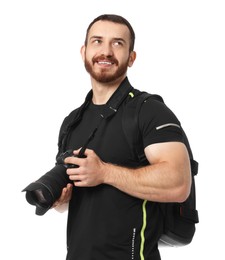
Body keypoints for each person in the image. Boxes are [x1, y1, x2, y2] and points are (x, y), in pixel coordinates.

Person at [53, 14, 191, 260]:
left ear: (131, 57)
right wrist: (60, 200)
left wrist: (104, 172)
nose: (105, 51)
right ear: (84, 51)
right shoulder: (72, 121)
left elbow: (179, 183)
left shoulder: (149, 110)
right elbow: (70, 204)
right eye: (97, 41)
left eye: (117, 43)